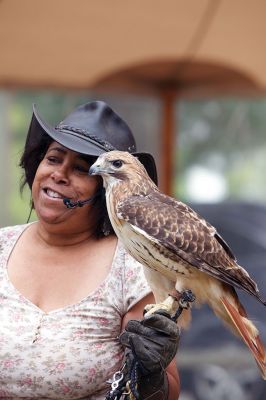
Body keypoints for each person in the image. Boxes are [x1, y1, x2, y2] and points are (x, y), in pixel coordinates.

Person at [0, 101, 180, 399]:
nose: (59, 174)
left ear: (106, 190)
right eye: (54, 159)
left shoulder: (134, 265)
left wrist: (150, 373)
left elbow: (168, 392)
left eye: (82, 168)